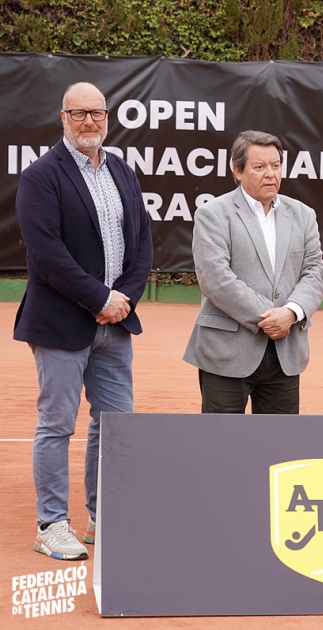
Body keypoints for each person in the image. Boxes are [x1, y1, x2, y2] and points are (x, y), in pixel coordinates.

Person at [14, 82, 153, 560]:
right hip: (60, 323)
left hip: (115, 323)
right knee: (57, 424)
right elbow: (46, 254)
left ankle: (103, 516)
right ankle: (51, 523)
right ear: (64, 118)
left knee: (115, 423)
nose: (90, 122)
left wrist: (123, 300)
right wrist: (99, 299)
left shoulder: (122, 171)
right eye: (79, 114)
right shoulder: (41, 176)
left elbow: (142, 244)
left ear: (108, 117)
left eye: (97, 113)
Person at [183, 130, 323, 414]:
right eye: (259, 167)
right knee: (223, 447)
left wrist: (292, 313)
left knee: (279, 450)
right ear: (237, 170)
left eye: (275, 165)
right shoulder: (213, 213)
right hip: (226, 353)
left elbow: (314, 271)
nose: (270, 174)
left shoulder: (303, 214)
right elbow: (216, 280)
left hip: (286, 353)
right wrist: (272, 316)